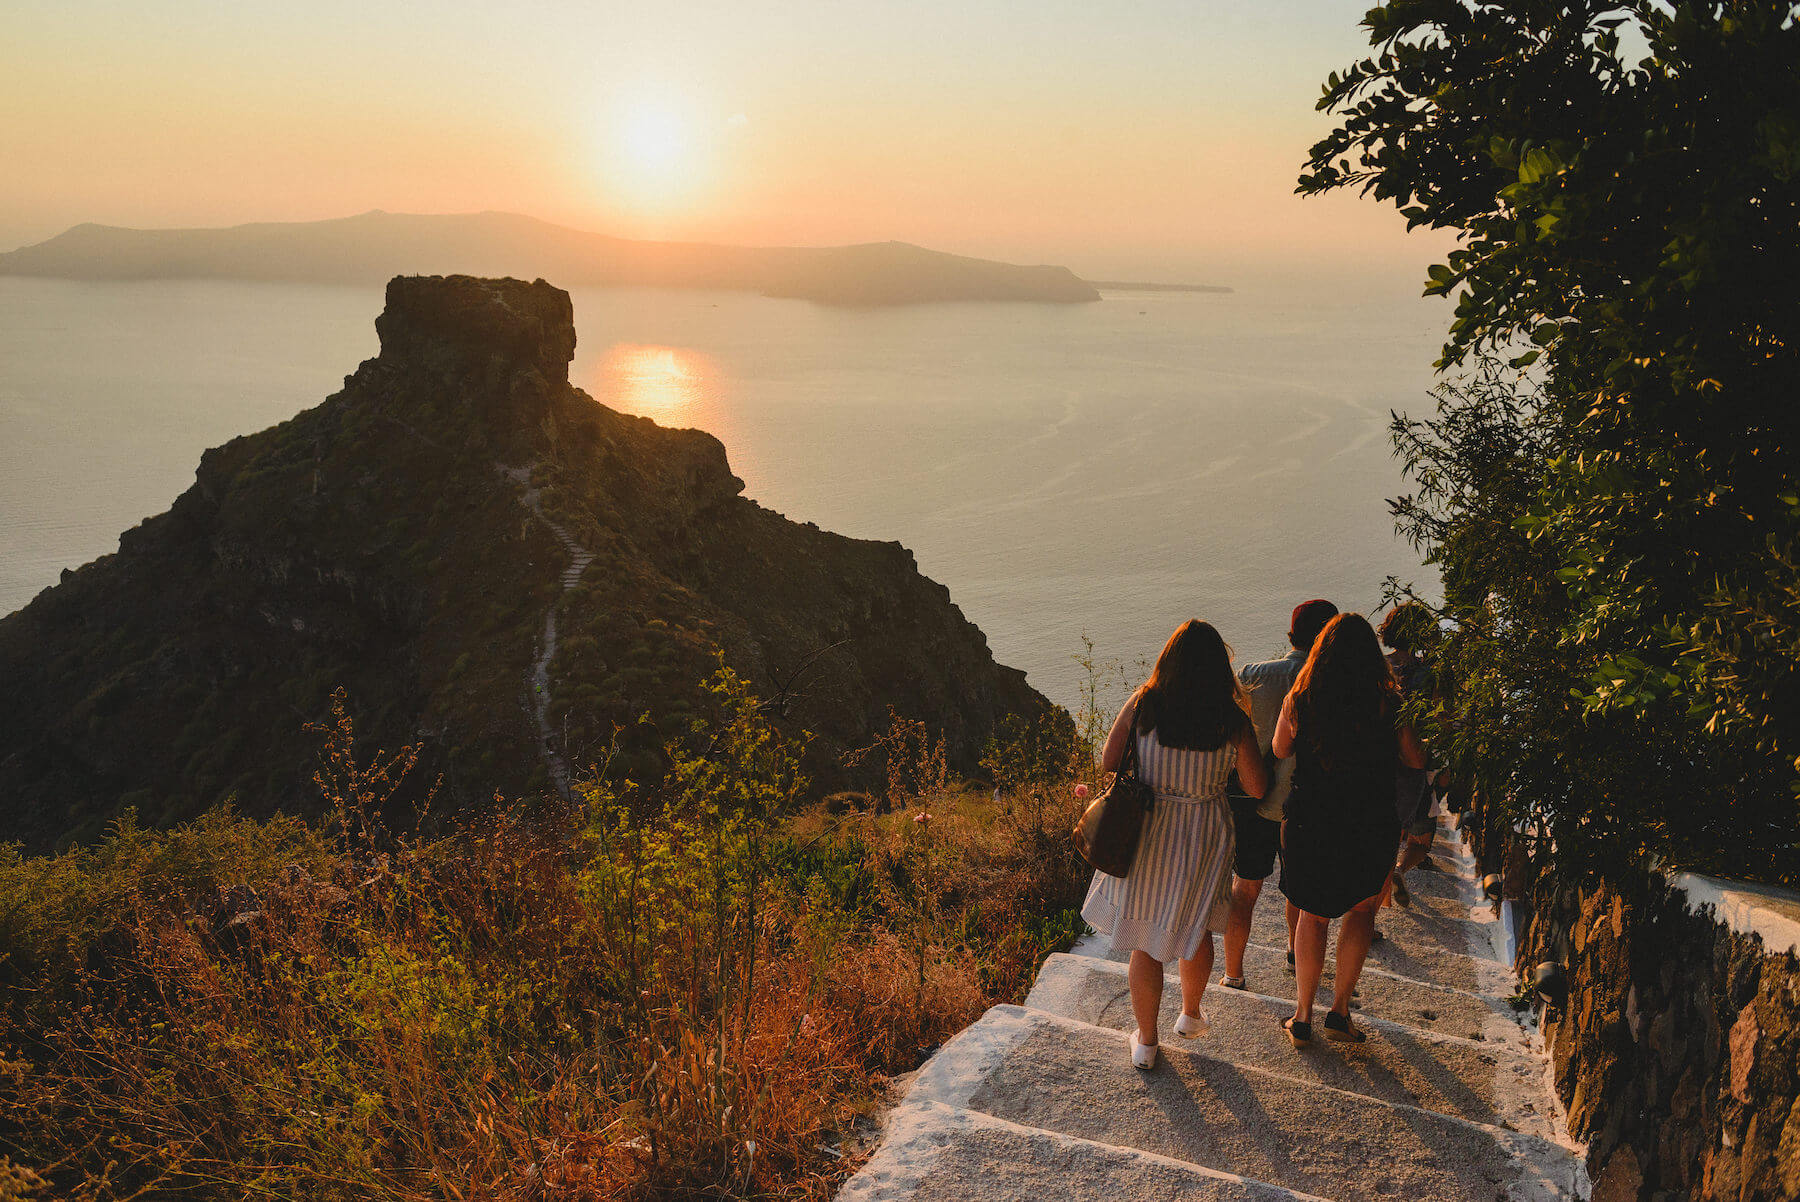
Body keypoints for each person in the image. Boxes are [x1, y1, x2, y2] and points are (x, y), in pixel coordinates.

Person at [1081, 620, 1269, 1069]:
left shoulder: (1145, 703)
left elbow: (1109, 761)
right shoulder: (1231, 719)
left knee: (1145, 941)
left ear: (1169, 660)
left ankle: (1146, 1042)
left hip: (1148, 828)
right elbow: (1257, 786)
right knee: (1197, 924)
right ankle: (1189, 1013)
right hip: (1204, 831)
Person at [1274, 613, 1425, 1046]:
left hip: (1311, 818)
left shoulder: (1301, 698)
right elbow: (1415, 759)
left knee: (1312, 913)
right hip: (1370, 821)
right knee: (1361, 910)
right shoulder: (1388, 701)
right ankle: (1339, 1011)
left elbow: (1280, 748)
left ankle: (1302, 1015)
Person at [1219, 599, 1338, 991]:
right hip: (1307, 804)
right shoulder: (1334, 684)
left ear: (1291, 635)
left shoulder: (1253, 675)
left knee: (1245, 884)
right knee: (1300, 889)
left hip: (1252, 797)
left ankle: (1233, 972)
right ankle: (1293, 953)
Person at [1379, 602, 1436, 908]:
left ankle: (1380, 896)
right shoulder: (1429, 674)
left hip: (1381, 760)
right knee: (1420, 839)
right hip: (1417, 762)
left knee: (1384, 833)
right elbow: (1444, 719)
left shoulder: (1377, 667)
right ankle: (1400, 870)